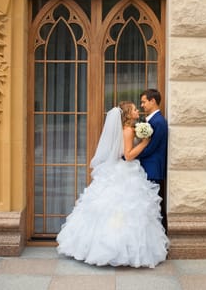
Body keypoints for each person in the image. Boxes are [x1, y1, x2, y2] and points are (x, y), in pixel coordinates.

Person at [56, 101, 169, 268]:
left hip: (116, 169)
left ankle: (101, 246)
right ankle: (123, 248)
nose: (137, 110)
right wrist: (145, 143)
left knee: (112, 209)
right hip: (126, 171)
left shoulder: (125, 129)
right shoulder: (129, 130)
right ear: (127, 115)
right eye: (134, 109)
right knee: (127, 209)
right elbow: (129, 156)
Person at [137, 89, 168, 230]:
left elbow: (151, 148)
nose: (142, 105)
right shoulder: (152, 120)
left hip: (153, 170)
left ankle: (161, 243)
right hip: (148, 169)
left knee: (155, 208)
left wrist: (129, 155)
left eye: (144, 102)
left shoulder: (159, 122)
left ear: (152, 101)